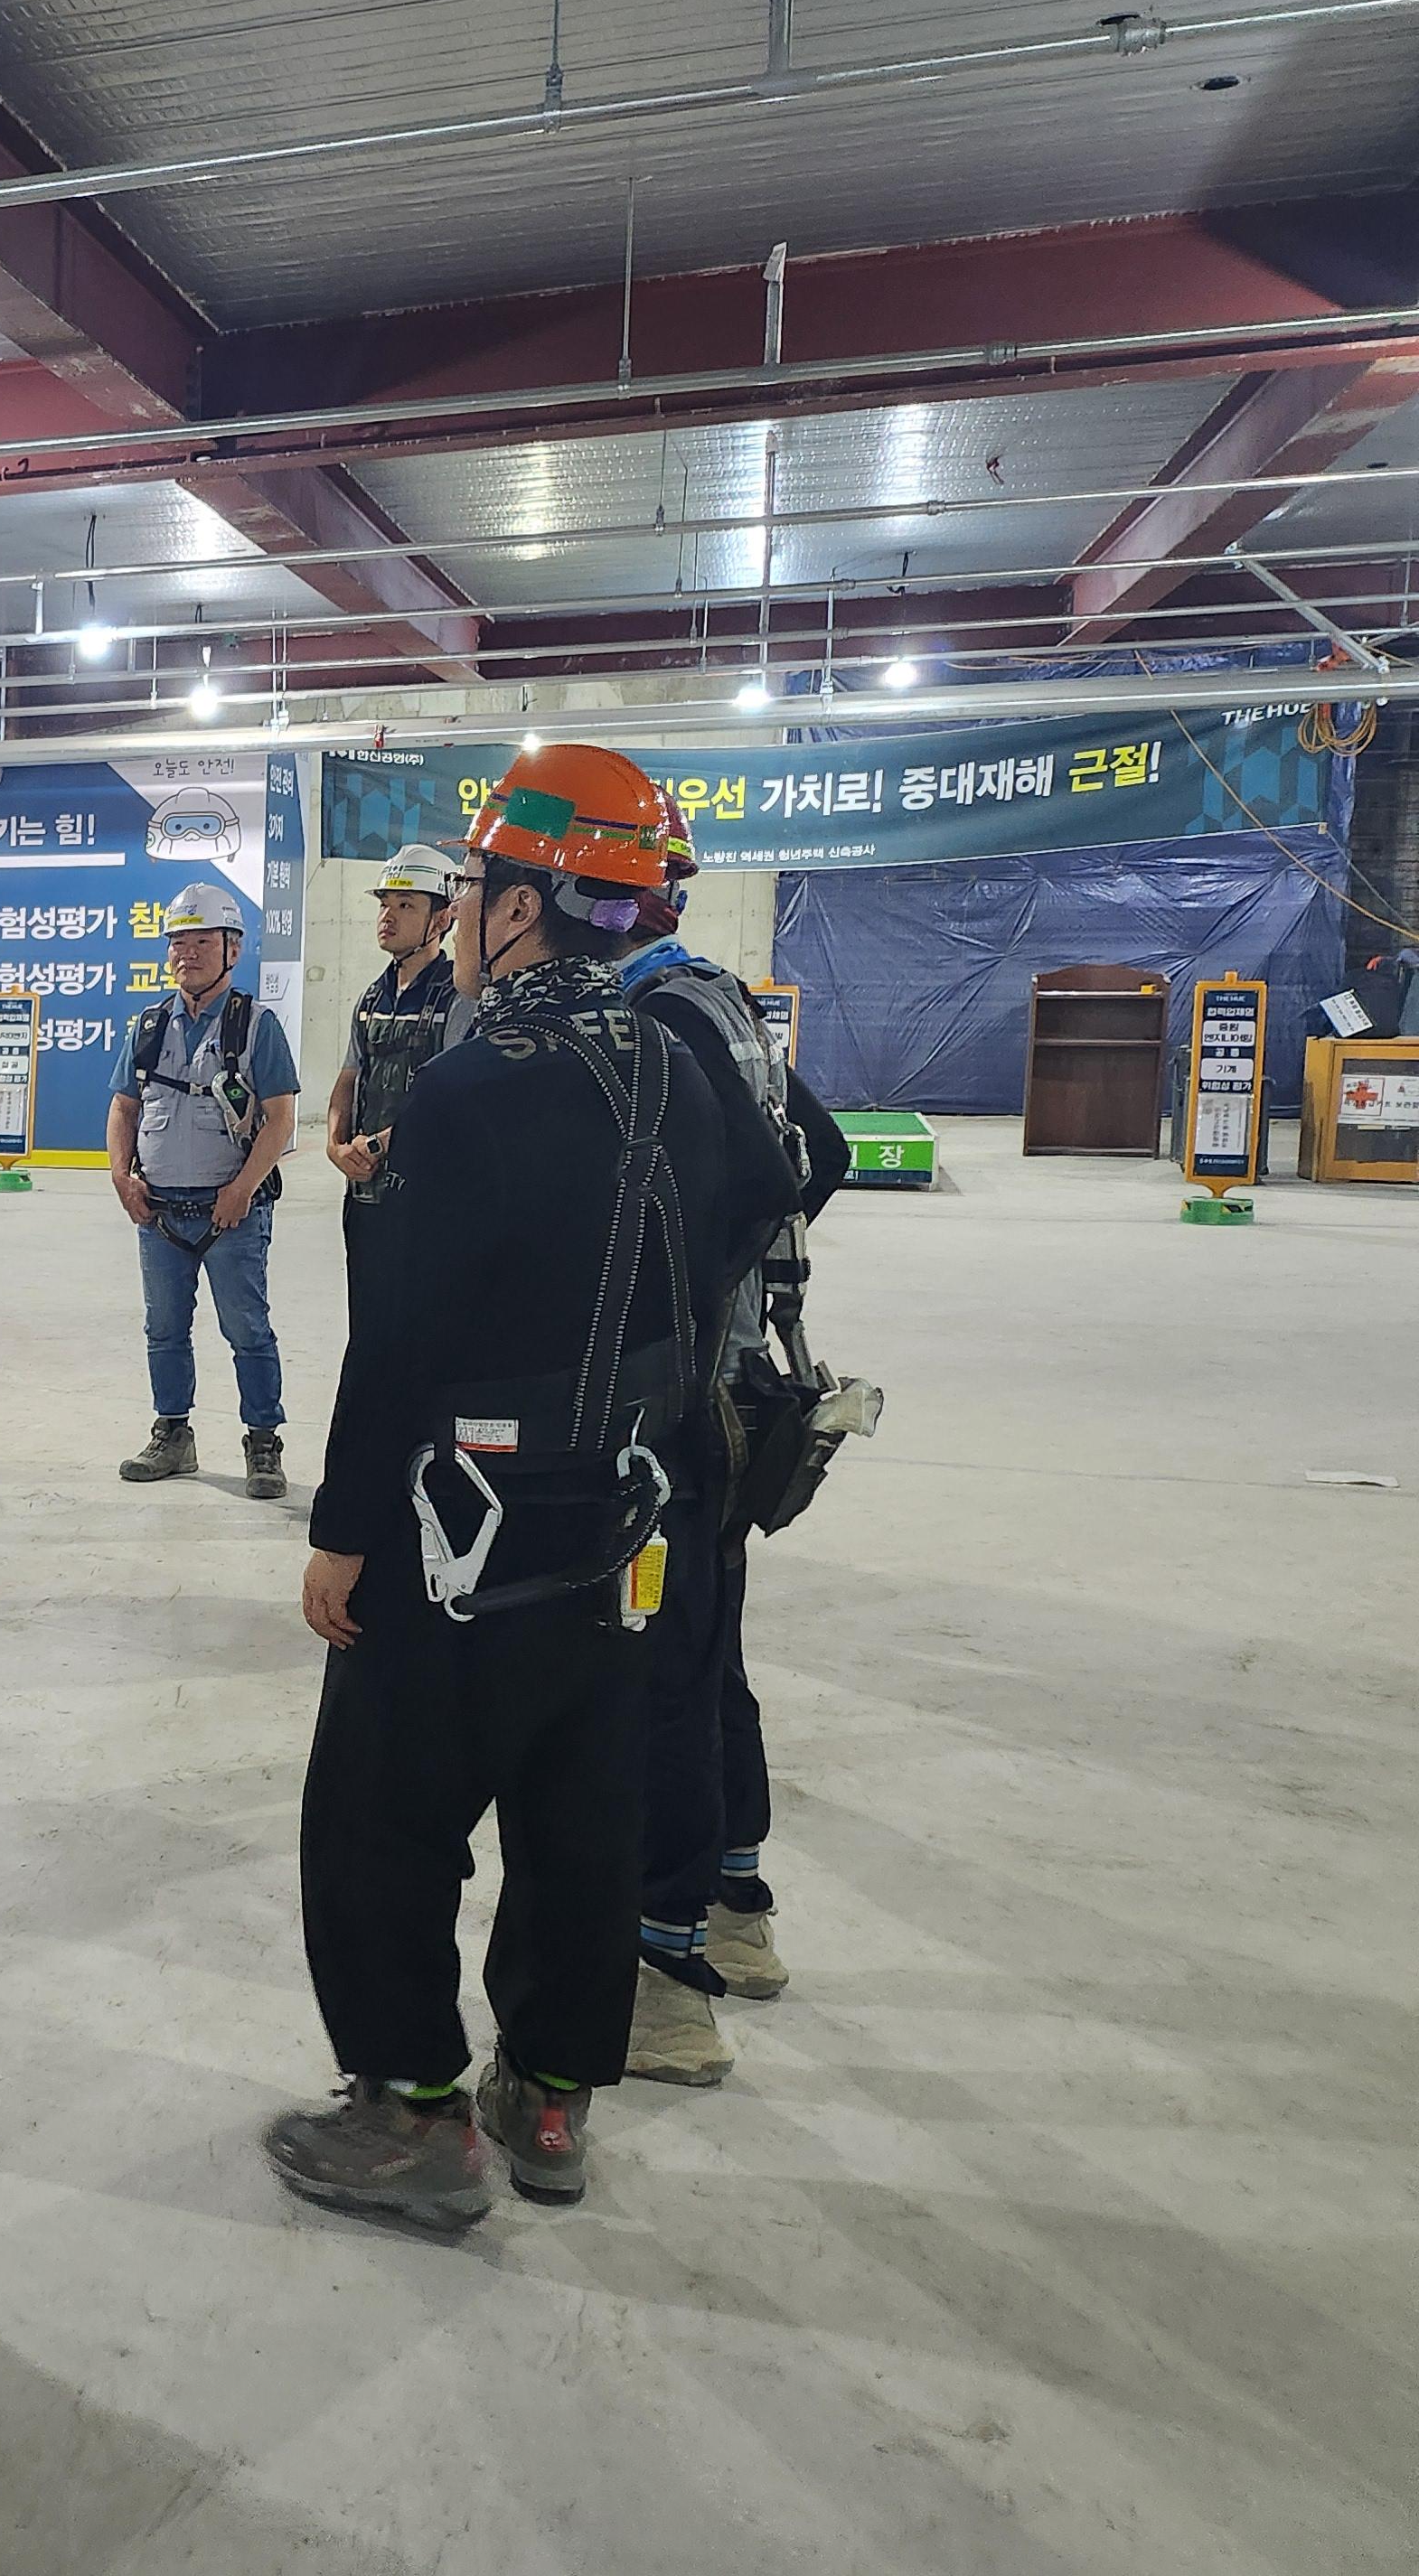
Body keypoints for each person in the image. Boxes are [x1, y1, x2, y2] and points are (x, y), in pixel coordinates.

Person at [268, 745, 792, 2225]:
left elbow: (397, 1344)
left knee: (382, 1814)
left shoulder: (469, 1086)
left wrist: (342, 1534)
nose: (463, 915)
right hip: (629, 1513)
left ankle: (414, 2116)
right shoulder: (683, 1062)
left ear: (515, 903)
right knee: (581, 1811)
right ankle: (549, 2100)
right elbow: (781, 1175)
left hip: (463, 1521)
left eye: (477, 889)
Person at [615, 805, 855, 2087]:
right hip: (741, 1385)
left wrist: (680, 1288)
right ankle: (736, 1906)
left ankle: (666, 1984)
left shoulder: (653, 1021)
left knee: (662, 1671)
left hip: (685, 1400)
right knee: (709, 1658)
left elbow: (763, 1176)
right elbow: (820, 1151)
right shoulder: (715, 999)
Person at [108, 883, 300, 1498]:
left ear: (232, 949)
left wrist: (242, 1189)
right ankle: (172, 1434)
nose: (186, 953)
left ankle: (263, 1442)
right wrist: (121, 1177)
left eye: (201, 941)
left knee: (247, 1330)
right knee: (163, 1329)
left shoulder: (256, 1026)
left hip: (231, 1214)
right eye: (178, 942)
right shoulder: (148, 1027)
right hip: (160, 1214)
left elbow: (280, 1117)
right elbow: (124, 1107)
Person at [322, 844, 464, 1316]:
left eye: (406, 905)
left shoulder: (458, 998)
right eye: (385, 904)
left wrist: (381, 1144)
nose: (388, 916)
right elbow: (349, 1077)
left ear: (441, 919)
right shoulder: (371, 998)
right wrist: (335, 1145)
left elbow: (453, 1098)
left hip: (428, 1197)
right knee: (367, 1318)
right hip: (366, 1192)